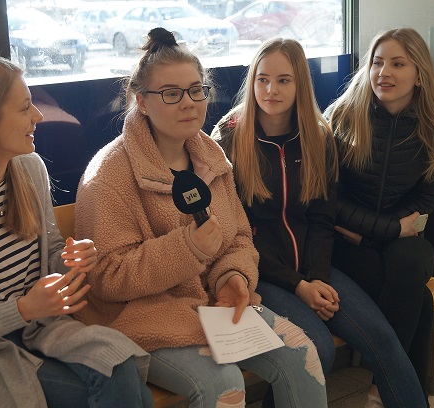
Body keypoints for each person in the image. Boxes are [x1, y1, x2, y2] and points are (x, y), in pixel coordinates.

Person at [74, 28, 327, 408]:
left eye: (196, 90)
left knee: (303, 356)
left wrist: (232, 279)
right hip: (141, 315)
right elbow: (106, 276)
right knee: (225, 386)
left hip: (212, 305)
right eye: (171, 94)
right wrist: (187, 249)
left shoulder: (209, 156)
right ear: (141, 101)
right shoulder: (109, 175)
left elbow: (239, 237)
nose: (189, 104)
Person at [0, 55, 153, 408]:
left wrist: (71, 260)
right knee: (123, 394)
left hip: (43, 329)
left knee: (120, 366)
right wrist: (20, 310)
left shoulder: (29, 170)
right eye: (24, 108)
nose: (38, 115)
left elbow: (50, 255)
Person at [212, 37, 428, 408]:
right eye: (263, 79)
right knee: (318, 348)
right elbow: (236, 235)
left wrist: (317, 278)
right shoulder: (230, 138)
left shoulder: (317, 134)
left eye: (283, 80)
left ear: (300, 84)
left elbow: (322, 220)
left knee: (383, 339)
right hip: (259, 273)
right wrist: (300, 286)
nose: (271, 90)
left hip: (312, 269)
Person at [325, 27, 434, 400]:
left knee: (413, 259)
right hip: (344, 242)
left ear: (419, 75)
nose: (384, 72)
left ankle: (381, 388)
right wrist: (383, 230)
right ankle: (390, 393)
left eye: (397, 64)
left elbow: (425, 199)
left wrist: (377, 232)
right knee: (422, 302)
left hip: (392, 240)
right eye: (377, 62)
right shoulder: (342, 118)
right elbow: (327, 198)